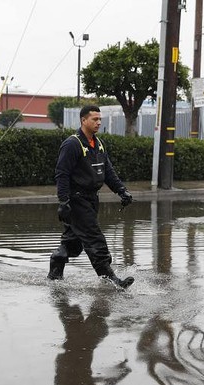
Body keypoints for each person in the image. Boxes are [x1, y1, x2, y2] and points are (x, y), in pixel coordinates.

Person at [47, 105, 134, 289]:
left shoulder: (99, 144)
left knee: (73, 242)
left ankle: (56, 270)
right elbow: (61, 174)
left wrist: (121, 190)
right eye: (94, 119)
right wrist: (63, 201)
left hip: (92, 200)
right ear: (83, 120)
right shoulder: (72, 144)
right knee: (95, 239)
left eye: (100, 119)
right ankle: (113, 281)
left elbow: (108, 171)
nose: (98, 122)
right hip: (76, 200)